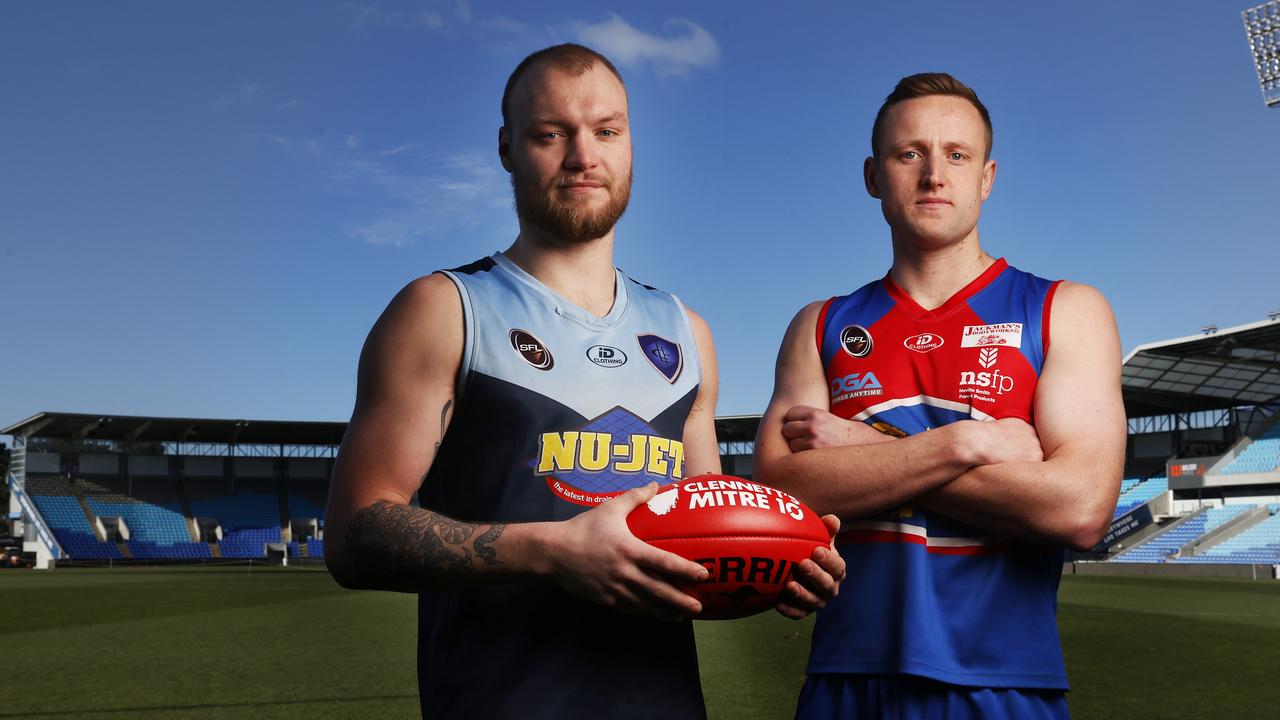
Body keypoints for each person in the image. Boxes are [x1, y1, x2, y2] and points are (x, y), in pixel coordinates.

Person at [324, 44, 845, 719]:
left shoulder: (688, 334)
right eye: (551, 134)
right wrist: (552, 551)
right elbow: (354, 536)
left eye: (606, 131)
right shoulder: (443, 309)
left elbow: (698, 560)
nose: (582, 156)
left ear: (630, 146)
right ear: (508, 148)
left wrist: (773, 569)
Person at [754, 73, 1125, 718]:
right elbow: (784, 491)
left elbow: (1079, 509)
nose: (934, 175)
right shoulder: (820, 324)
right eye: (910, 154)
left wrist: (867, 445)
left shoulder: (1064, 310)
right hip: (847, 674)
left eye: (957, 155)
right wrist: (965, 444)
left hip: (1006, 681)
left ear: (987, 177)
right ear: (873, 176)